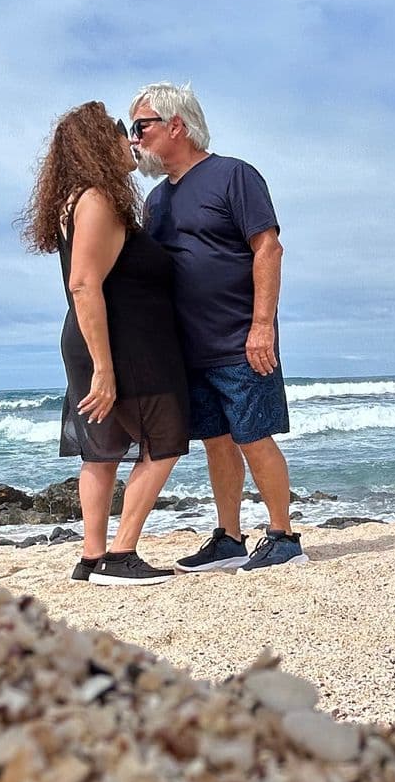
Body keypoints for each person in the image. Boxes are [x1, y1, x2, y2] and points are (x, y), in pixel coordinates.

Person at [127, 83, 304, 572]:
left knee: (254, 436)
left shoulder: (234, 175)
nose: (134, 137)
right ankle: (229, 537)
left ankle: (284, 536)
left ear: (175, 126)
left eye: (141, 127)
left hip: (240, 337)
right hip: (187, 347)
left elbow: (267, 248)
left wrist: (262, 325)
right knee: (216, 440)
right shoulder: (156, 201)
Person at [21, 101, 190, 586]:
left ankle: (92, 557)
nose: (131, 138)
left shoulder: (75, 201)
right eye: (122, 129)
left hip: (101, 341)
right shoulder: (96, 199)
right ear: (99, 141)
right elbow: (82, 284)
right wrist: (105, 368)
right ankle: (120, 554)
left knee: (101, 450)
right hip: (120, 345)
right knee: (164, 439)